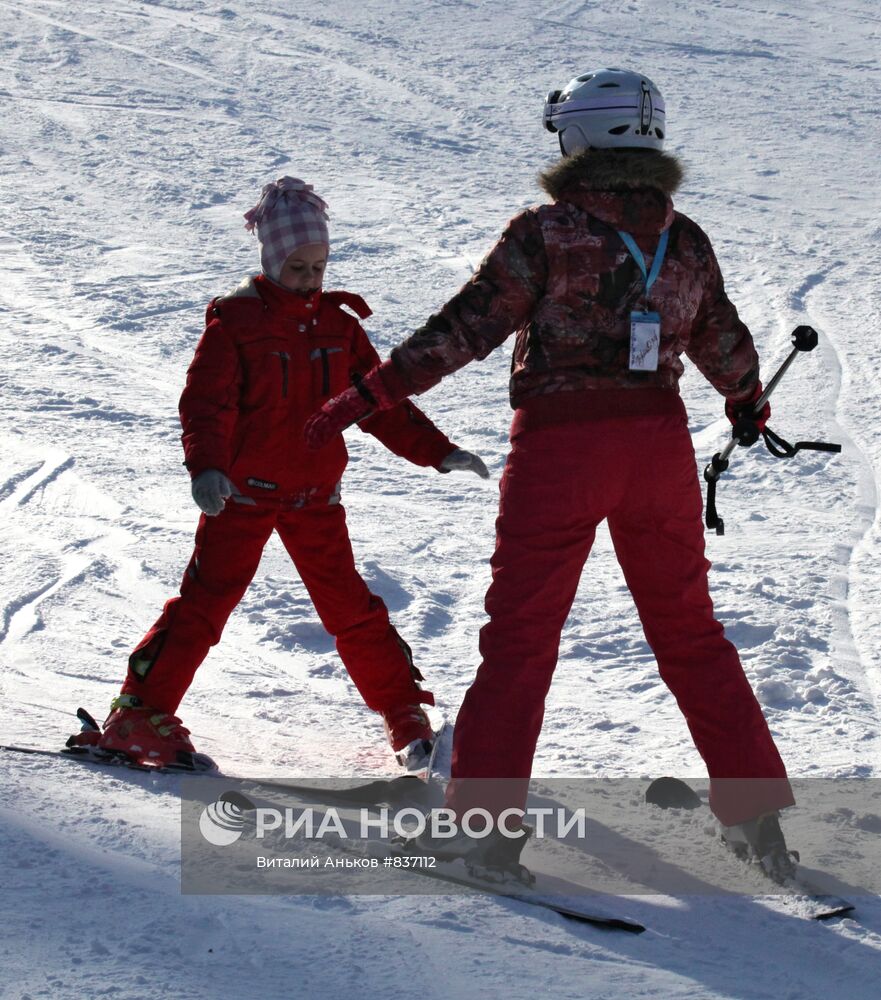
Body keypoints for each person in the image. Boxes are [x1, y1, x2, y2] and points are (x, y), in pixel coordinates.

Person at [305, 70, 797, 878]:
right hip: (655, 450)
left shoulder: (546, 232)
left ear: (582, 137)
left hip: (562, 449)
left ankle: (483, 833)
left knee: (522, 638)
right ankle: (758, 819)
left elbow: (463, 329)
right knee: (689, 631)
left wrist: (367, 395)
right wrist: (746, 402)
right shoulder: (687, 239)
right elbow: (725, 345)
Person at [70, 176, 488, 771]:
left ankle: (404, 713)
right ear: (270, 261)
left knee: (352, 609)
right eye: (297, 267)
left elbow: (378, 400)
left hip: (315, 497)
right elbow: (205, 404)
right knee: (206, 604)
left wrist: (437, 451)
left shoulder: (339, 327)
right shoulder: (236, 323)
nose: (311, 279)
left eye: (319, 265)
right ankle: (138, 714)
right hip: (239, 497)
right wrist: (207, 469)